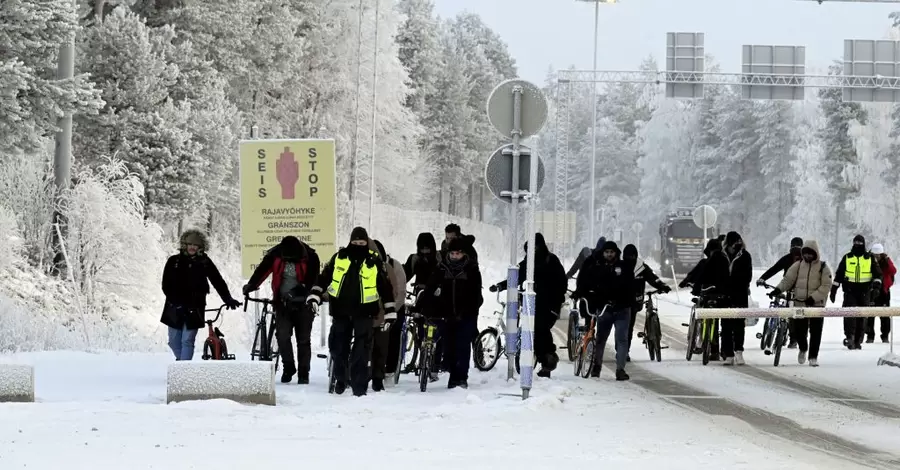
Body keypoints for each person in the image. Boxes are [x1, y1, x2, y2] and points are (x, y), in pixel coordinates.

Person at [308, 227, 395, 396]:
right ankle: (341, 378)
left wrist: (390, 309)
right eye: (355, 243)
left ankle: (359, 387)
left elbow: (385, 287)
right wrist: (315, 294)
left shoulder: (373, 261)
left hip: (365, 312)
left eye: (361, 243)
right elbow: (324, 277)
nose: (358, 245)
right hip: (341, 310)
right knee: (338, 348)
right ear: (350, 242)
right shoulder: (339, 258)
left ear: (366, 243)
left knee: (361, 352)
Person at [243, 236, 321, 384]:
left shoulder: (311, 256)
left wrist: (298, 292)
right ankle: (288, 367)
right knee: (282, 336)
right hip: (282, 303)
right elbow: (262, 271)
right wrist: (251, 285)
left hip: (304, 304)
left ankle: (304, 372)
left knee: (303, 340)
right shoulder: (275, 254)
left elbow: (312, 280)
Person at [489, 233, 568, 377]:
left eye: (536, 247)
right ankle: (535, 359)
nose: (534, 251)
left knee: (539, 330)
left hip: (550, 305)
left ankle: (548, 361)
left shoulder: (551, 261)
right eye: (530, 248)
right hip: (532, 304)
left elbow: (562, 284)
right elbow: (516, 276)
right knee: (530, 330)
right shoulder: (527, 263)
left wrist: (551, 296)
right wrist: (500, 286)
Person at [161, 229, 241, 361]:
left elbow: (217, 281)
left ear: (200, 247)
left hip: (195, 306)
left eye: (196, 245)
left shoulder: (205, 262)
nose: (192, 247)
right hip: (174, 306)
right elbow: (166, 285)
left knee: (187, 340)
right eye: (190, 244)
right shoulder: (173, 261)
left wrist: (228, 299)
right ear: (184, 245)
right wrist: (176, 301)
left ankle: (184, 370)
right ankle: (182, 363)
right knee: (173, 341)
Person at [422, 237, 483, 389]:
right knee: (449, 347)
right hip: (447, 314)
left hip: (466, 315)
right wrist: (427, 305)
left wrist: (469, 311)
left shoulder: (471, 269)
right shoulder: (442, 268)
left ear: (463, 254)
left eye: (458, 254)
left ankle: (461, 378)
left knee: (462, 347)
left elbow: (476, 294)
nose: (455, 256)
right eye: (452, 253)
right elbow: (430, 287)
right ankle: (453, 375)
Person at [574, 240, 634, 381]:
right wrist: (582, 293)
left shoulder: (624, 267)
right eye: (606, 252)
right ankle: (596, 367)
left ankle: (620, 369)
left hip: (622, 309)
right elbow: (587, 282)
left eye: (611, 252)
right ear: (603, 253)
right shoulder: (597, 267)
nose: (609, 255)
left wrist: (627, 301)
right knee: (600, 339)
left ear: (616, 253)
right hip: (604, 309)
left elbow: (630, 286)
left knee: (622, 339)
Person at [771, 239, 831, 367]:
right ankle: (803, 348)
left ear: (816, 253)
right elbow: (788, 280)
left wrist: (814, 297)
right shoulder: (797, 265)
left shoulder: (823, 267)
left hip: (817, 305)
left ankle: (813, 357)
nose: (808, 256)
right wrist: (777, 290)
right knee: (799, 331)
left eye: (811, 253)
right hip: (800, 304)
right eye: (806, 253)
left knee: (816, 332)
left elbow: (826, 286)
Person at [831, 235, 883, 350]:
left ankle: (858, 339)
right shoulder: (847, 257)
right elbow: (839, 274)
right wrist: (834, 289)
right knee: (849, 313)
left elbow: (878, 274)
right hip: (850, 290)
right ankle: (850, 337)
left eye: (860, 243)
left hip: (865, 291)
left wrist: (876, 287)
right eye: (856, 243)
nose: (858, 245)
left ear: (863, 244)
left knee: (861, 315)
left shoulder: (869, 258)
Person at [621, 244, 671, 361]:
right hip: (623, 302)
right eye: (628, 256)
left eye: (632, 256)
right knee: (625, 328)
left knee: (628, 328)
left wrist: (661, 285)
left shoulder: (641, 267)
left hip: (634, 302)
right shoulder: (621, 267)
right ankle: (623, 351)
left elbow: (653, 278)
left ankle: (624, 351)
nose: (630, 258)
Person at [371, 239, 407, 390]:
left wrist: (390, 310)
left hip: (393, 307)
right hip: (372, 308)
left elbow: (400, 292)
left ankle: (390, 369)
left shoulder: (394, 266)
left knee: (392, 336)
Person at [756, 237, 804, 349]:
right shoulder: (797, 259)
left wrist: (763, 278)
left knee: (795, 314)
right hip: (791, 289)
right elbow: (775, 268)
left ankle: (793, 338)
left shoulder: (792, 259)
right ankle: (792, 339)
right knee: (793, 313)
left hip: (796, 290)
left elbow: (774, 269)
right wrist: (763, 278)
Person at [721, 231, 752, 366]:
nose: (736, 245)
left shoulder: (745, 256)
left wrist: (737, 284)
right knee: (726, 325)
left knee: (739, 324)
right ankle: (729, 354)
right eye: (734, 243)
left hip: (740, 294)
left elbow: (748, 276)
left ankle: (739, 351)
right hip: (725, 295)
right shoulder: (722, 255)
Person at [866, 243, 894, 343]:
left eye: (878, 255)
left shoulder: (886, 261)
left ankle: (885, 335)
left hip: (884, 291)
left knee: (885, 315)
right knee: (870, 315)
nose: (876, 257)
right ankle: (870, 336)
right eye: (875, 255)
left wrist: (887, 261)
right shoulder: (868, 260)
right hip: (872, 290)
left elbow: (893, 271)